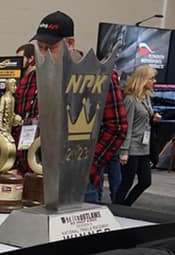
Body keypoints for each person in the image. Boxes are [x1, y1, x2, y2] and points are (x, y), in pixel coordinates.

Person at [31, 11, 127, 201]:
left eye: (51, 47)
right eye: (40, 48)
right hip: (35, 177)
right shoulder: (32, 79)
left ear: (70, 43)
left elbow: (117, 127)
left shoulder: (98, 76)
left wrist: (86, 166)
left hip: (80, 183)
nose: (44, 54)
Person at [116, 65, 160, 206]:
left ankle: (125, 206)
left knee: (145, 181)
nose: (154, 81)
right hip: (132, 148)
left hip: (144, 147)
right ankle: (117, 207)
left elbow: (145, 117)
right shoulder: (130, 99)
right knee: (127, 181)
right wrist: (124, 151)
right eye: (151, 78)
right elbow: (126, 126)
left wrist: (153, 117)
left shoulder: (146, 97)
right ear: (142, 79)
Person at [14, 43, 38, 173]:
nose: (17, 63)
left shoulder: (38, 80)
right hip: (21, 140)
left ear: (31, 59)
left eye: (20, 58)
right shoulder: (21, 83)